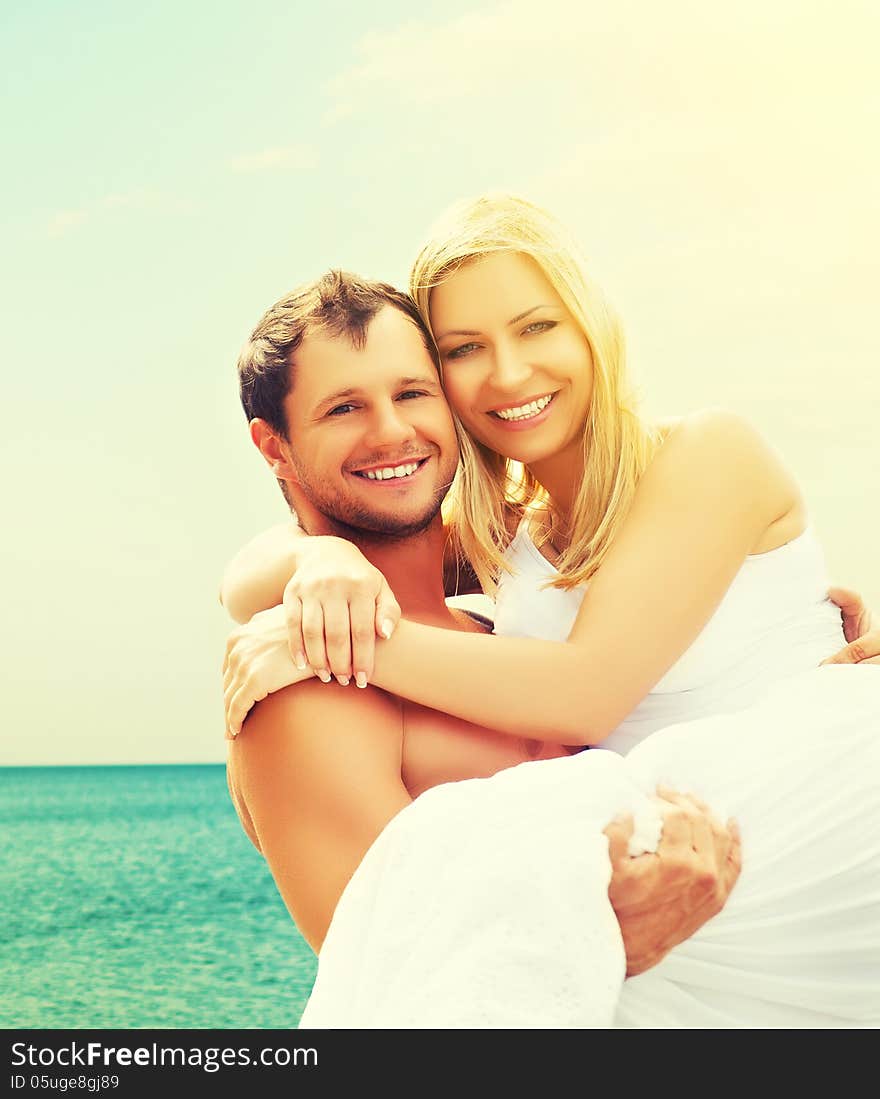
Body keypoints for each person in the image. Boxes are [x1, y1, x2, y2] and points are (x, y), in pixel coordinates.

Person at [223, 268, 879, 1027]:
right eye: (344, 407)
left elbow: (656, 581)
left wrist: (793, 626)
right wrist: (606, 938)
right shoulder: (307, 689)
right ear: (274, 447)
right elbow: (386, 985)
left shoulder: (509, 623)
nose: (392, 432)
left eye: (411, 393)